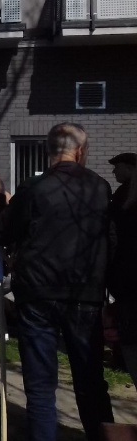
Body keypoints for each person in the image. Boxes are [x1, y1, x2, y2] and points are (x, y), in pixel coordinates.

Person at [0, 122, 114, 441]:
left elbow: (0, 232)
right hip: (84, 293)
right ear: (80, 151)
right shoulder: (99, 188)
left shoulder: (34, 188)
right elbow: (110, 241)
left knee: (41, 386)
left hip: (38, 294)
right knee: (90, 381)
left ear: (48, 151)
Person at [107, 152, 137, 388]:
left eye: (118, 167)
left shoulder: (123, 197)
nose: (115, 171)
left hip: (128, 281)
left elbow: (114, 237)